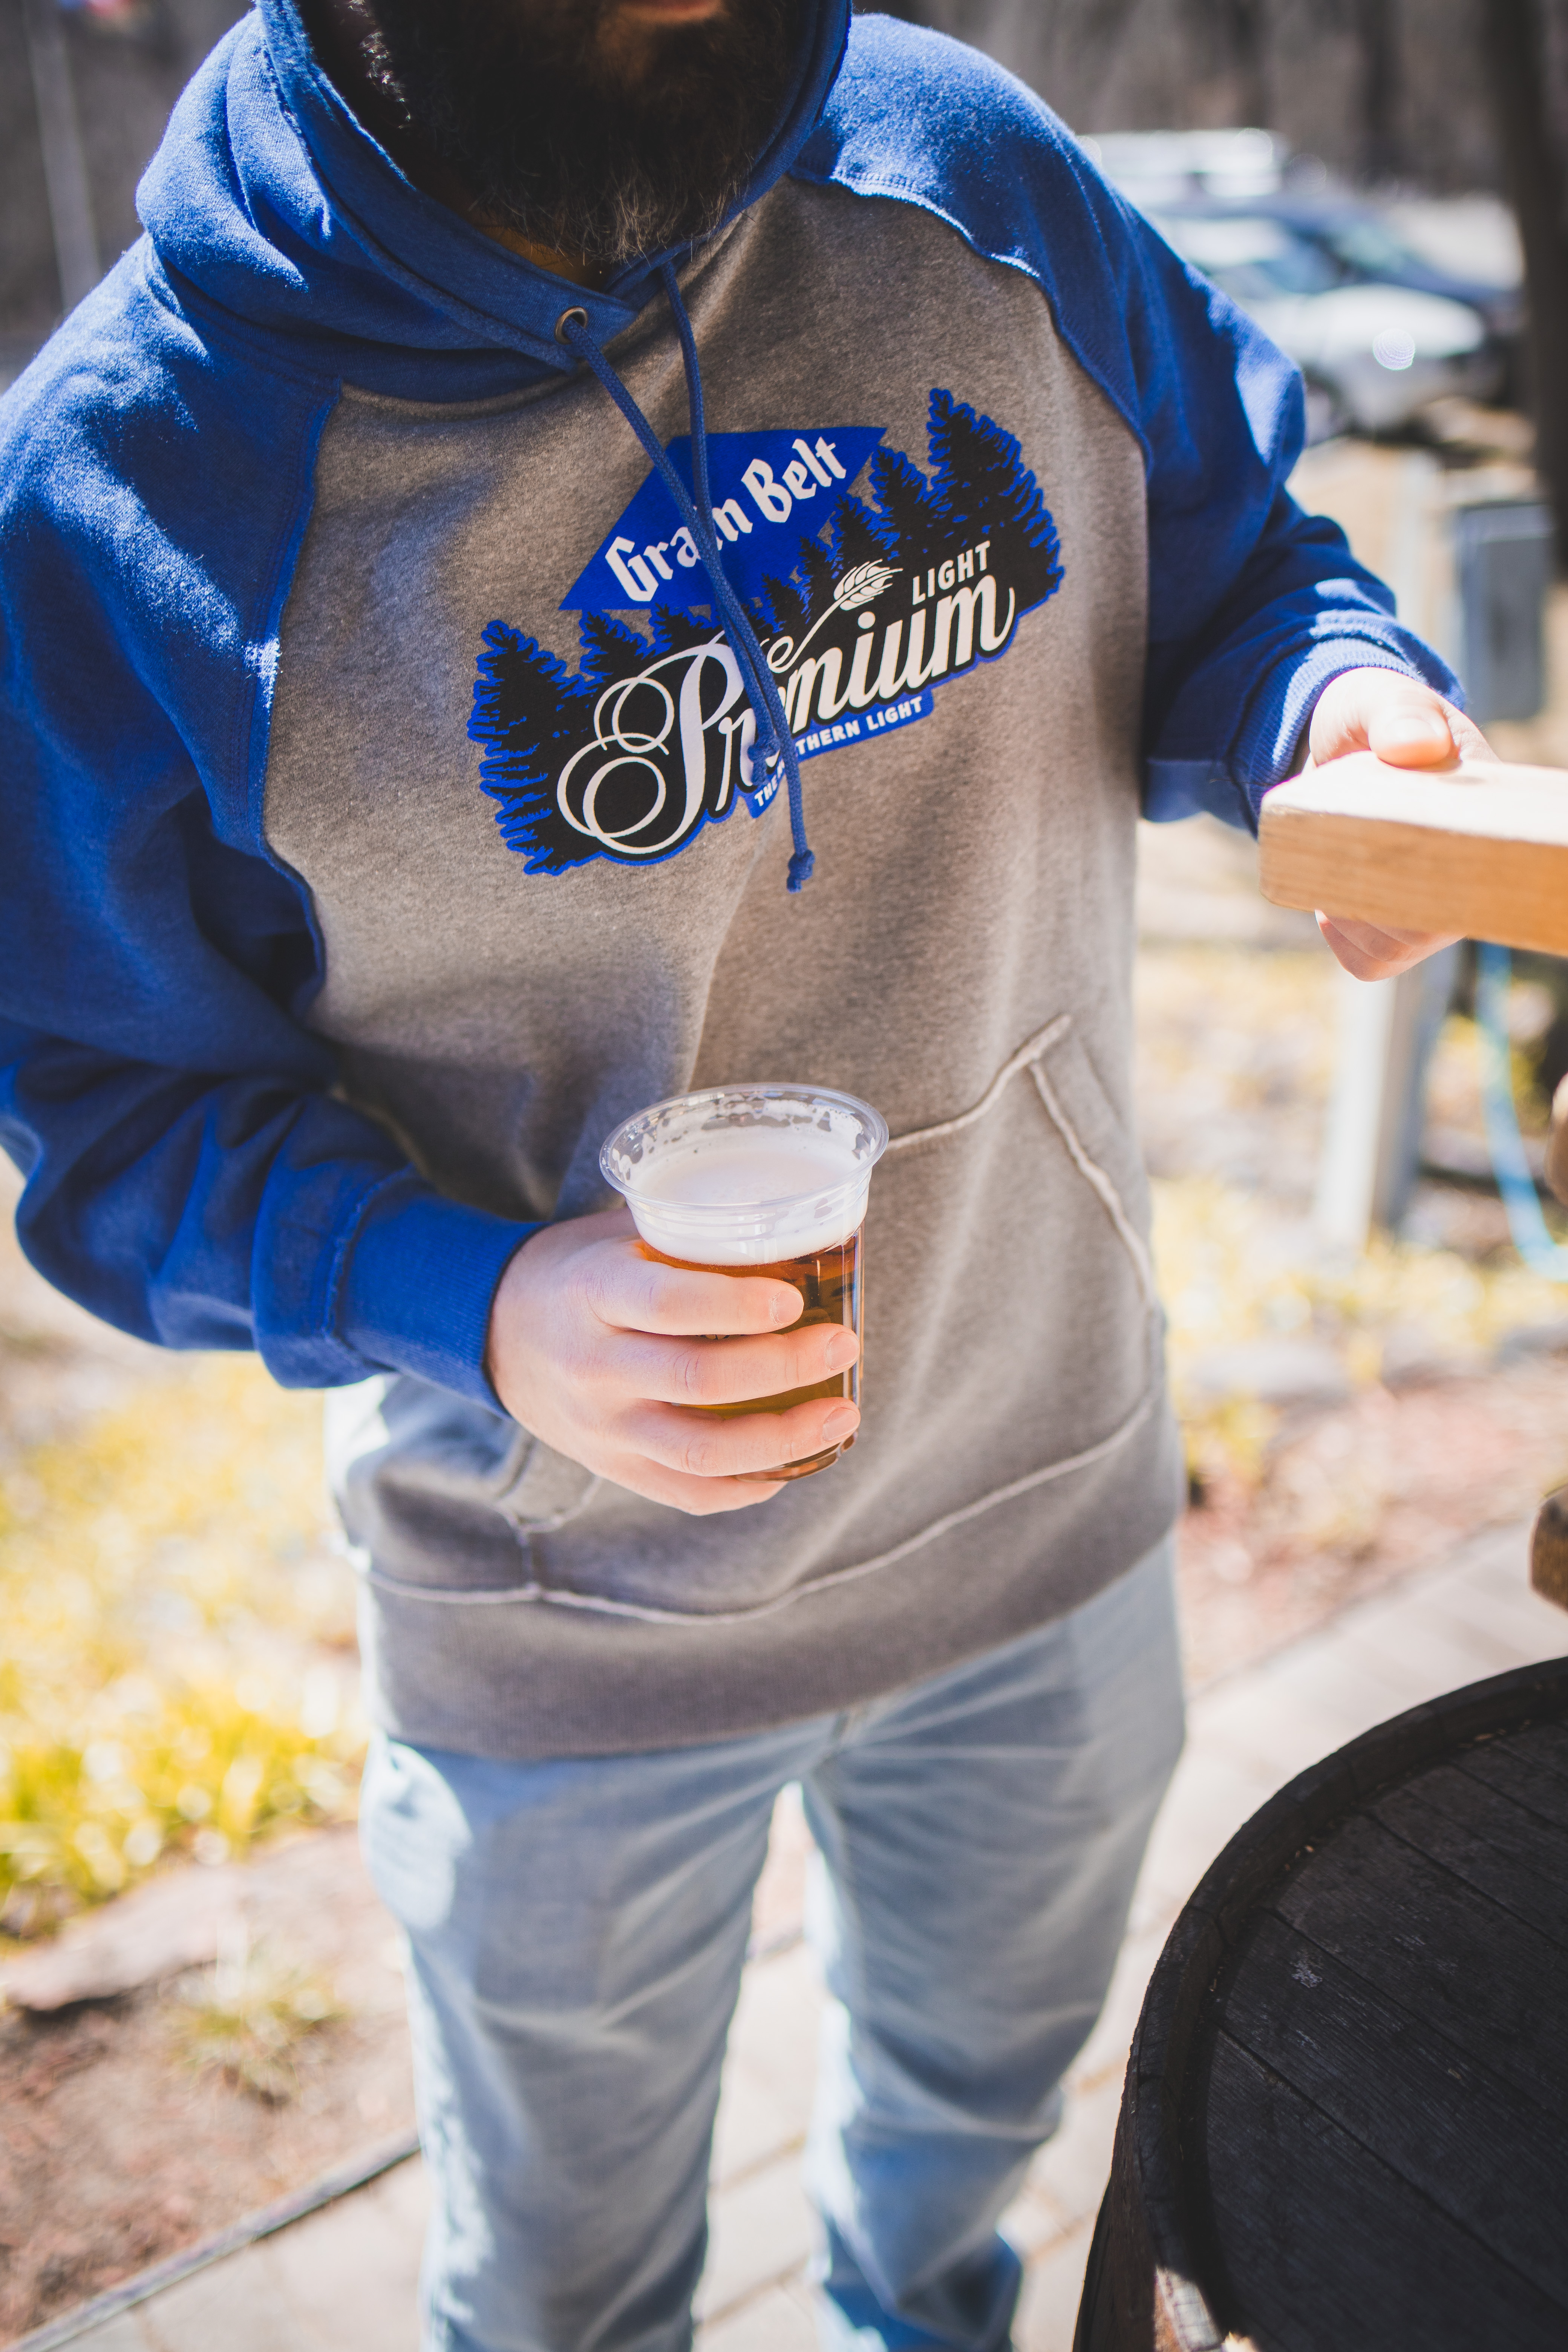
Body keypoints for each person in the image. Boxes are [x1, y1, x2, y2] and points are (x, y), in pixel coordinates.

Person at [0, 2, 1486, 2345]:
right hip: (561, 1644)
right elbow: (107, 1117)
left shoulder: (958, 168)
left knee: (958, 2177)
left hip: (1049, 1510)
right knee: (568, 2293)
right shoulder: (118, 492)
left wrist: (1340, 710)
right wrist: (476, 1301)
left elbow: (1240, 564)